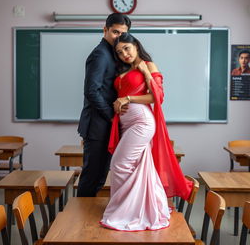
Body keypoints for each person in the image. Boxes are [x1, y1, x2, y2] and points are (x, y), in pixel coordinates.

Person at [100, 33, 193, 231]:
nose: (124, 54)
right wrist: (119, 103)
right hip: (126, 124)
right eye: (119, 51)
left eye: (127, 48)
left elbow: (156, 97)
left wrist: (130, 97)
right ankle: (137, 208)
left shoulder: (148, 65)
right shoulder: (124, 69)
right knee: (140, 167)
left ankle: (125, 210)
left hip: (142, 122)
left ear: (136, 45)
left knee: (118, 164)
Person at [77, 13, 131, 197]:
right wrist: (111, 115)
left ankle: (84, 221)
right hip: (97, 127)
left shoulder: (113, 53)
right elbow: (92, 91)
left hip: (105, 126)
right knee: (91, 179)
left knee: (100, 178)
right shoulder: (100, 54)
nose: (118, 37)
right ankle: (78, 223)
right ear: (105, 30)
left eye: (123, 33)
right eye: (115, 32)